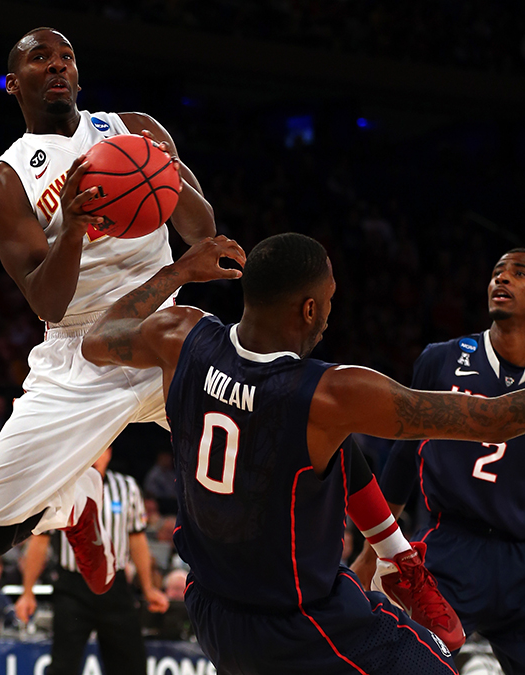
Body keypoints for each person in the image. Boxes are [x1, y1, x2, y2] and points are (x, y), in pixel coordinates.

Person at [79, 232, 525, 673]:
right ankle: (397, 559)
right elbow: (499, 419)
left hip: (210, 609)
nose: (330, 315)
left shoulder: (179, 333)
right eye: (329, 300)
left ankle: (398, 556)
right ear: (309, 308)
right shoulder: (332, 396)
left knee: (327, 442)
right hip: (299, 624)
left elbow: (97, 339)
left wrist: (177, 271)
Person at [0, 26, 216, 596]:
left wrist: (160, 170)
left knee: (269, 437)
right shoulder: (6, 180)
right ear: (13, 83)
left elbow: (201, 230)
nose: (57, 66)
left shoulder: (136, 130)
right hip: (78, 349)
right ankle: (76, 506)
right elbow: (45, 300)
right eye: (40, 59)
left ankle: (388, 550)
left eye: (66, 57)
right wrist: (74, 229)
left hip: (162, 330)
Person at [352, 247, 525, 675]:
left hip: (521, 555)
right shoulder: (442, 359)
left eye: (519, 274)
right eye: (497, 272)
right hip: (452, 545)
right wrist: (371, 552)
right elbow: (403, 462)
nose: (501, 280)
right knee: (404, 663)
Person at [15, 447, 169, 675]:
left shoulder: (127, 487)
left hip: (115, 587)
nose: (95, 457)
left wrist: (148, 588)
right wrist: (27, 591)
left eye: (101, 450)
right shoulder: (62, 484)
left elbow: (137, 540)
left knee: (132, 666)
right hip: (72, 588)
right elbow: (40, 541)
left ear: (109, 452)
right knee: (62, 667)